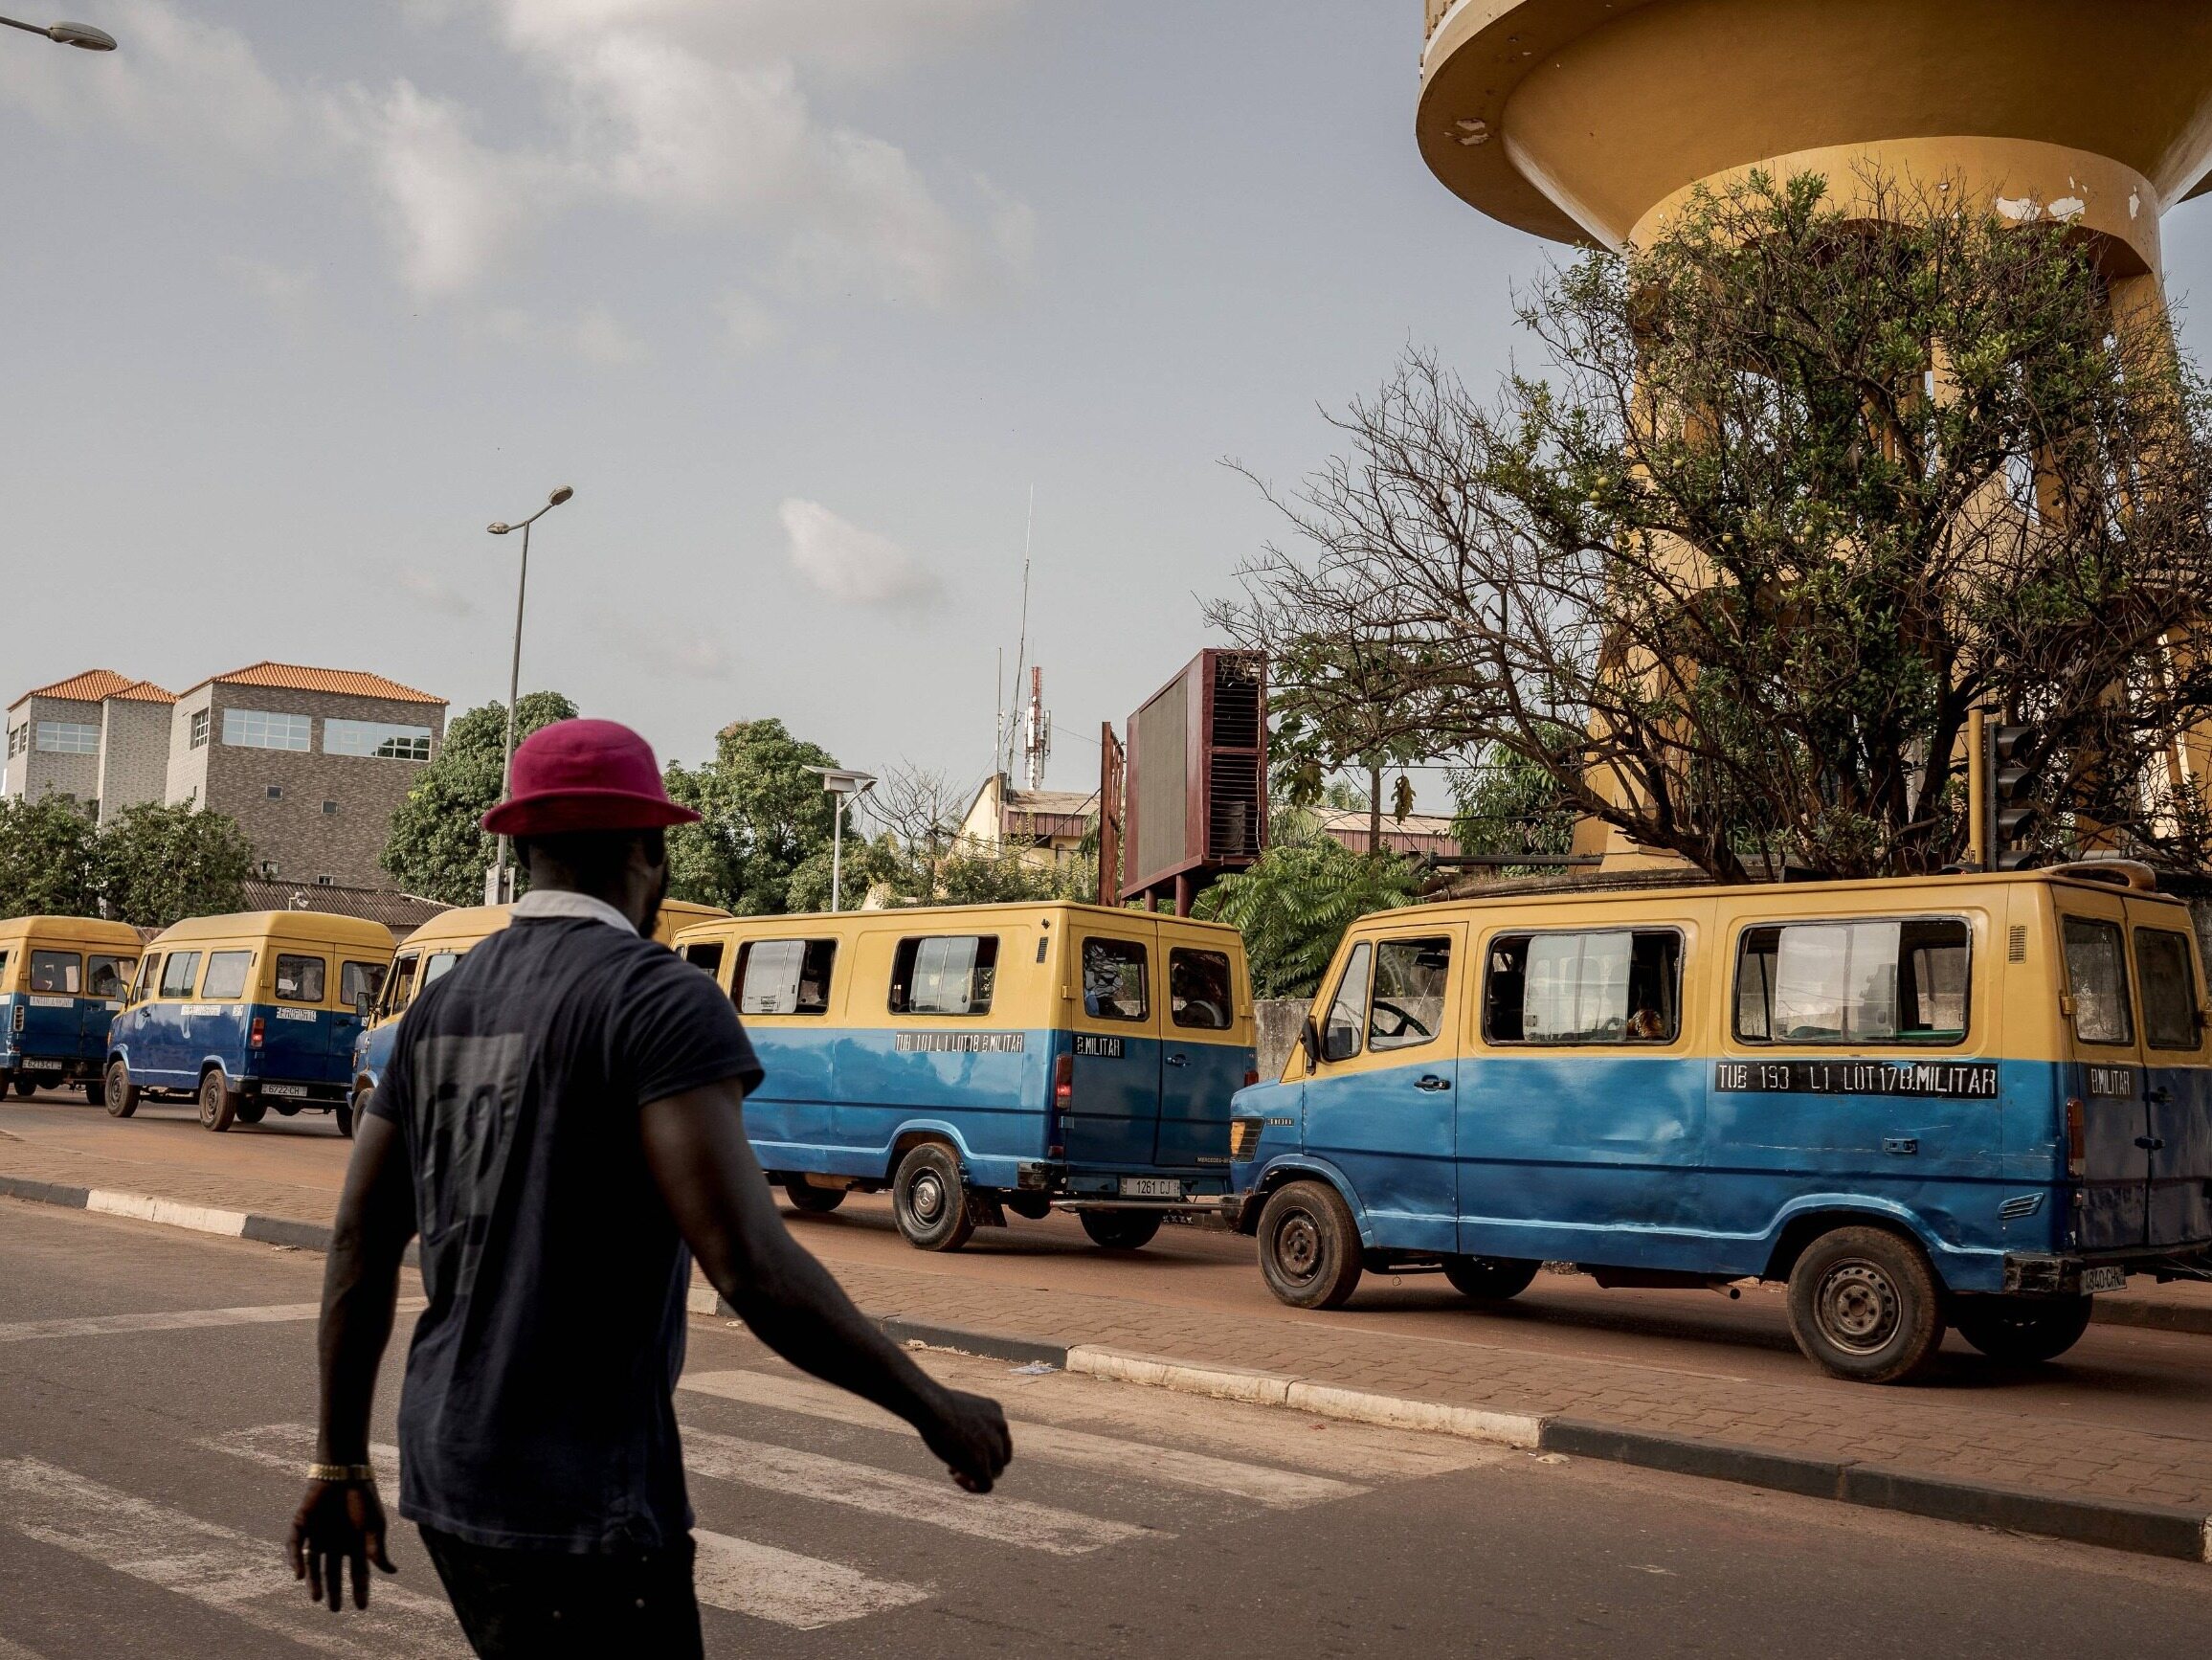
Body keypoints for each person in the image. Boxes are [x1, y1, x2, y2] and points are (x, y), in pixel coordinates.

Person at [289, 719, 1011, 1656]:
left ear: (524, 849)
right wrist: (934, 1408)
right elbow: (749, 1265)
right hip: (578, 1496)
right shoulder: (656, 998)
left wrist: (339, 1453)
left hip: (448, 1470)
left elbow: (359, 1239)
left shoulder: (443, 1004)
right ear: (648, 850)